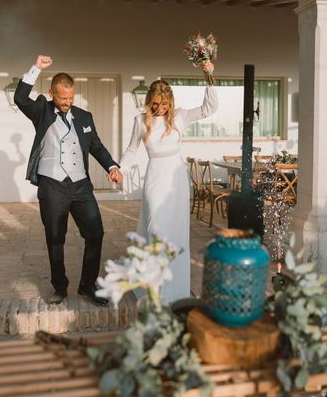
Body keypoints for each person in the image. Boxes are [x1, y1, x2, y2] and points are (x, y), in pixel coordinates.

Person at [14, 55, 123, 307]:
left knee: (96, 233)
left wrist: (112, 166)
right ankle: (60, 287)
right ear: (52, 93)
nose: (67, 103)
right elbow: (20, 98)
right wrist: (36, 69)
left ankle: (87, 286)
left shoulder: (84, 117)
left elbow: (97, 146)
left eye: (71, 98)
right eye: (63, 98)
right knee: (55, 238)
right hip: (52, 185)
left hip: (81, 185)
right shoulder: (41, 111)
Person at [119, 62, 218, 304]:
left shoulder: (181, 117)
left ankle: (173, 289)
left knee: (176, 233)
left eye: (165, 104)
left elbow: (209, 108)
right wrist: (118, 169)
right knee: (155, 228)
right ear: (149, 100)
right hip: (155, 177)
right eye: (156, 103)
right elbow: (132, 150)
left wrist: (209, 76)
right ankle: (153, 285)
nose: (160, 108)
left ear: (170, 102)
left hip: (176, 179)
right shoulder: (141, 121)